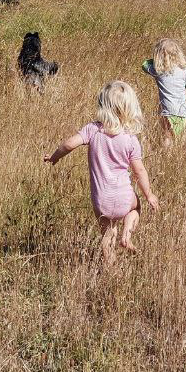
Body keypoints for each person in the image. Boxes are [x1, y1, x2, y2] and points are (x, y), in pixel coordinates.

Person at [44, 80, 160, 264]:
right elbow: (139, 171)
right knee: (136, 207)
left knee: (107, 234)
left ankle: (111, 270)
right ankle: (127, 236)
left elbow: (68, 144)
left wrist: (54, 157)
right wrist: (149, 194)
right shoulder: (130, 139)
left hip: (101, 201)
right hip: (123, 197)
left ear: (102, 105)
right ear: (129, 108)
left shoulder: (93, 130)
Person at [141, 38, 186, 147]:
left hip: (167, 109)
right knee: (181, 136)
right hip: (183, 111)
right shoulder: (184, 71)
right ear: (178, 55)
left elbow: (144, 64)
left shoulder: (159, 71)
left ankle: (165, 153)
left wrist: (156, 61)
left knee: (167, 136)